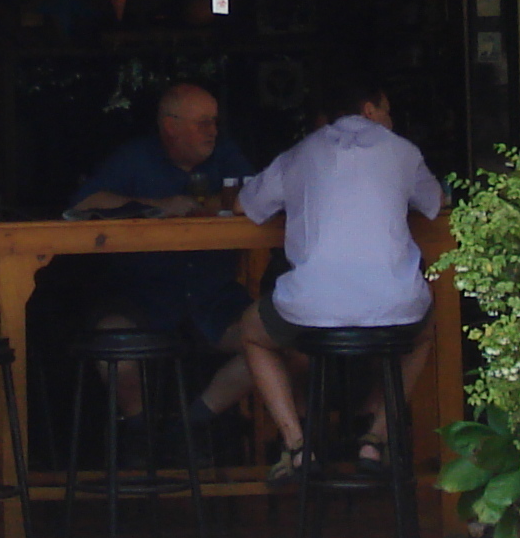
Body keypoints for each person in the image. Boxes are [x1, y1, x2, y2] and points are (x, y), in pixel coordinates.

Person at [233, 79, 447, 482]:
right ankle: (375, 436)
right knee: (424, 329)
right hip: (395, 309)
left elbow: (249, 206)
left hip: (311, 310)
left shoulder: (301, 152)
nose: (391, 119)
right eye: (387, 110)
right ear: (369, 109)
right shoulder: (403, 151)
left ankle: (297, 446)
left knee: (251, 331)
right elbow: (435, 203)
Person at [66, 82, 257, 433]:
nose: (213, 131)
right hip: (142, 296)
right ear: (170, 127)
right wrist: (158, 208)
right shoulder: (136, 157)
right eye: (202, 122)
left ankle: (190, 426)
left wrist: (204, 208)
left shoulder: (226, 154)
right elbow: (82, 203)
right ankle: (141, 437)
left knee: (279, 338)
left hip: (214, 297)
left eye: (215, 122)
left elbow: (257, 195)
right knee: (115, 348)